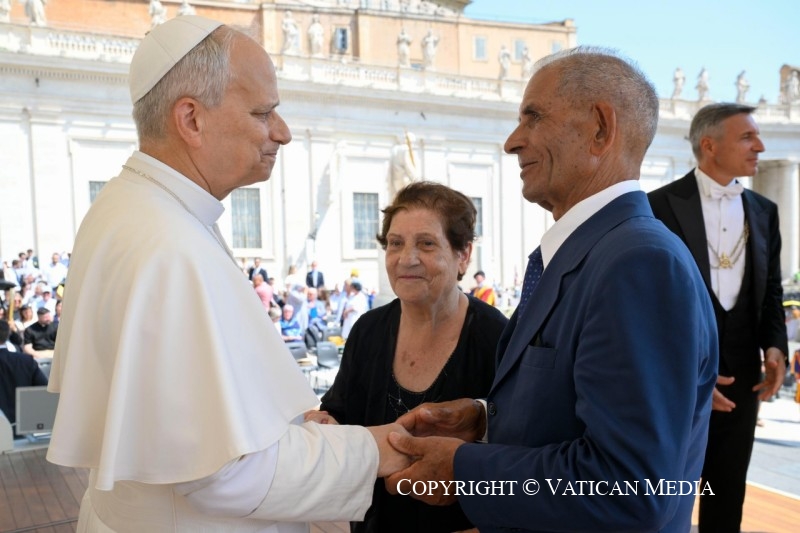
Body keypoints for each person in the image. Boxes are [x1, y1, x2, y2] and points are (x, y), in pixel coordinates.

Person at [45, 15, 409, 531]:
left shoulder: (136, 208)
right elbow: (224, 473)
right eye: (263, 113)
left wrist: (289, 425)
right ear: (191, 120)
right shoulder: (170, 245)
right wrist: (378, 449)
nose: (282, 132)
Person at [385, 47, 718, 533]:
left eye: (534, 117)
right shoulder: (592, 253)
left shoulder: (639, 263)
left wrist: (464, 470)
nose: (512, 142)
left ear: (600, 128)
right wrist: (487, 420)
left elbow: (630, 487)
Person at [309, 181, 508, 532]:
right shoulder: (368, 330)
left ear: (463, 255)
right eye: (395, 243)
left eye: (426, 243)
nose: (406, 258)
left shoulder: (497, 337)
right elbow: (341, 412)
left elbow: (516, 450)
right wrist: (326, 425)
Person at [648, 102, 788, 532]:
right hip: (676, 380)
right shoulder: (657, 205)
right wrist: (689, 377)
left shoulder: (765, 211)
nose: (760, 147)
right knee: (665, 498)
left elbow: (771, 290)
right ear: (709, 145)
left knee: (727, 495)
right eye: (747, 137)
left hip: (745, 378)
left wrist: (776, 346)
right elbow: (651, 303)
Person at [0, 321, 48, 437]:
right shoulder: (25, 361)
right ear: (8, 334)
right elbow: (44, 391)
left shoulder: (26, 361)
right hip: (23, 429)